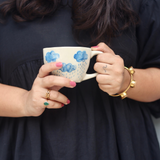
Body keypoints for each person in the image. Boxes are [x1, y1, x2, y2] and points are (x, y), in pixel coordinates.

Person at [0, 0, 160, 159]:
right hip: (27, 148)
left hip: (122, 145)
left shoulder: (139, 3)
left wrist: (126, 81)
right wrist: (24, 101)